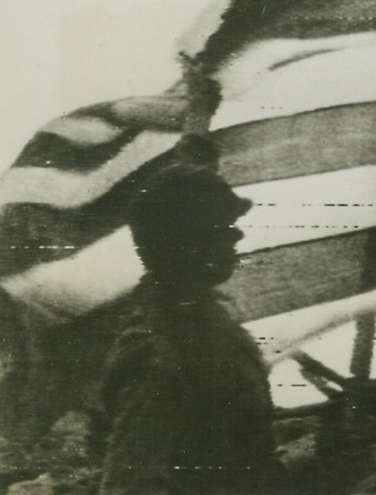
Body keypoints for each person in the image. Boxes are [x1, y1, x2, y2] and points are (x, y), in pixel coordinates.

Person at [98, 135, 290, 494]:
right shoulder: (159, 352)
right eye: (219, 228)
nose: (237, 235)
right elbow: (129, 485)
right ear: (181, 243)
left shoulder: (210, 320)